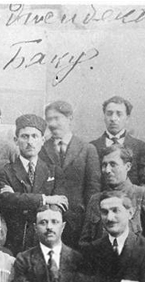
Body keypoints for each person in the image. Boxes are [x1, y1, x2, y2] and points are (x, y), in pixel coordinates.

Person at [0, 114, 69, 255]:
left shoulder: (54, 171)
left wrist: (18, 198)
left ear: (42, 140)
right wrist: (45, 199)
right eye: (25, 136)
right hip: (14, 242)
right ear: (16, 140)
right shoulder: (4, 172)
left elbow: (58, 206)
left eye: (34, 136)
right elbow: (6, 200)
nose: (30, 142)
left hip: (44, 241)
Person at [79, 144, 145, 251]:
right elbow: (84, 244)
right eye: (104, 165)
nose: (107, 170)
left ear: (127, 166)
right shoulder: (95, 200)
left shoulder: (143, 195)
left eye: (113, 164)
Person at [38, 100, 101, 247]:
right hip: (49, 220)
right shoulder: (41, 149)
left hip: (79, 220)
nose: (52, 124)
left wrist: (89, 219)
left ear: (69, 118)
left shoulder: (87, 149)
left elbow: (93, 187)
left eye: (57, 118)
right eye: (49, 119)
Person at [91, 95, 145, 186]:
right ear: (104, 117)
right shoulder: (91, 147)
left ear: (127, 118)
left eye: (119, 114)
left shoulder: (141, 148)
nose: (113, 118)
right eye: (109, 113)